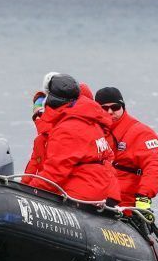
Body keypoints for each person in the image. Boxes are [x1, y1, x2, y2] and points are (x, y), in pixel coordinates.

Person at [21, 73, 118, 203]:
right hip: (98, 193)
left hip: (79, 195)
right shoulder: (91, 123)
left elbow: (54, 174)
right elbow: (108, 159)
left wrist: (27, 193)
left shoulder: (67, 129)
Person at [94, 86, 158, 223]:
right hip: (93, 202)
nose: (110, 111)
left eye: (115, 107)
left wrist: (143, 197)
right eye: (104, 108)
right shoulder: (91, 130)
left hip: (124, 208)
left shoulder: (140, 133)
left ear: (122, 107)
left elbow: (156, 165)